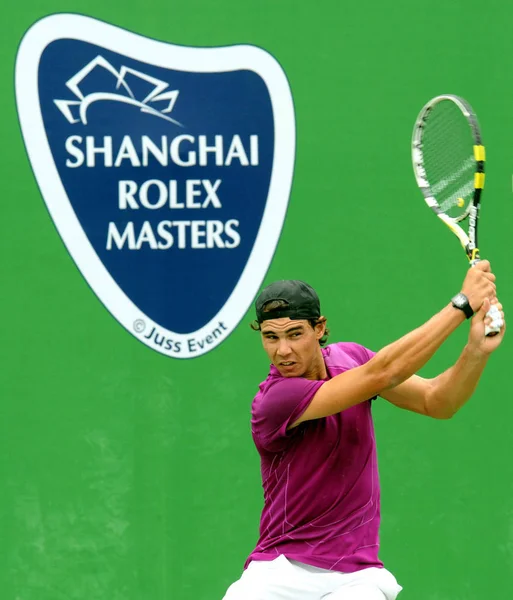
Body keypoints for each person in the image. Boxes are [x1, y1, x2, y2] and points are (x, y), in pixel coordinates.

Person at [222, 261, 505, 600]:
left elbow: (436, 401)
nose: (283, 350)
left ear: (319, 328)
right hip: (279, 572)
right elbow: (381, 374)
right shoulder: (275, 400)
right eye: (271, 337)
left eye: (295, 334)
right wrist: (461, 305)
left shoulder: (351, 359)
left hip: (355, 579)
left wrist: (475, 351)